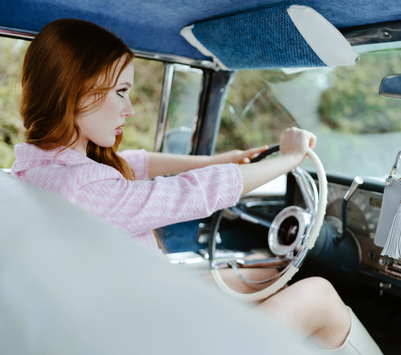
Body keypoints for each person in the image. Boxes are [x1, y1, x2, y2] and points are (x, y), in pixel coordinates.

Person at [10, 18, 382, 354]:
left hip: (132, 316)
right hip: (153, 338)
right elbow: (190, 193)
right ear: (79, 91)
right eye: (121, 91)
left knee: (260, 270)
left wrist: (217, 159)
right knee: (319, 296)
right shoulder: (82, 188)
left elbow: (137, 163)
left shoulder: (35, 168)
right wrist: (287, 161)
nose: (129, 109)